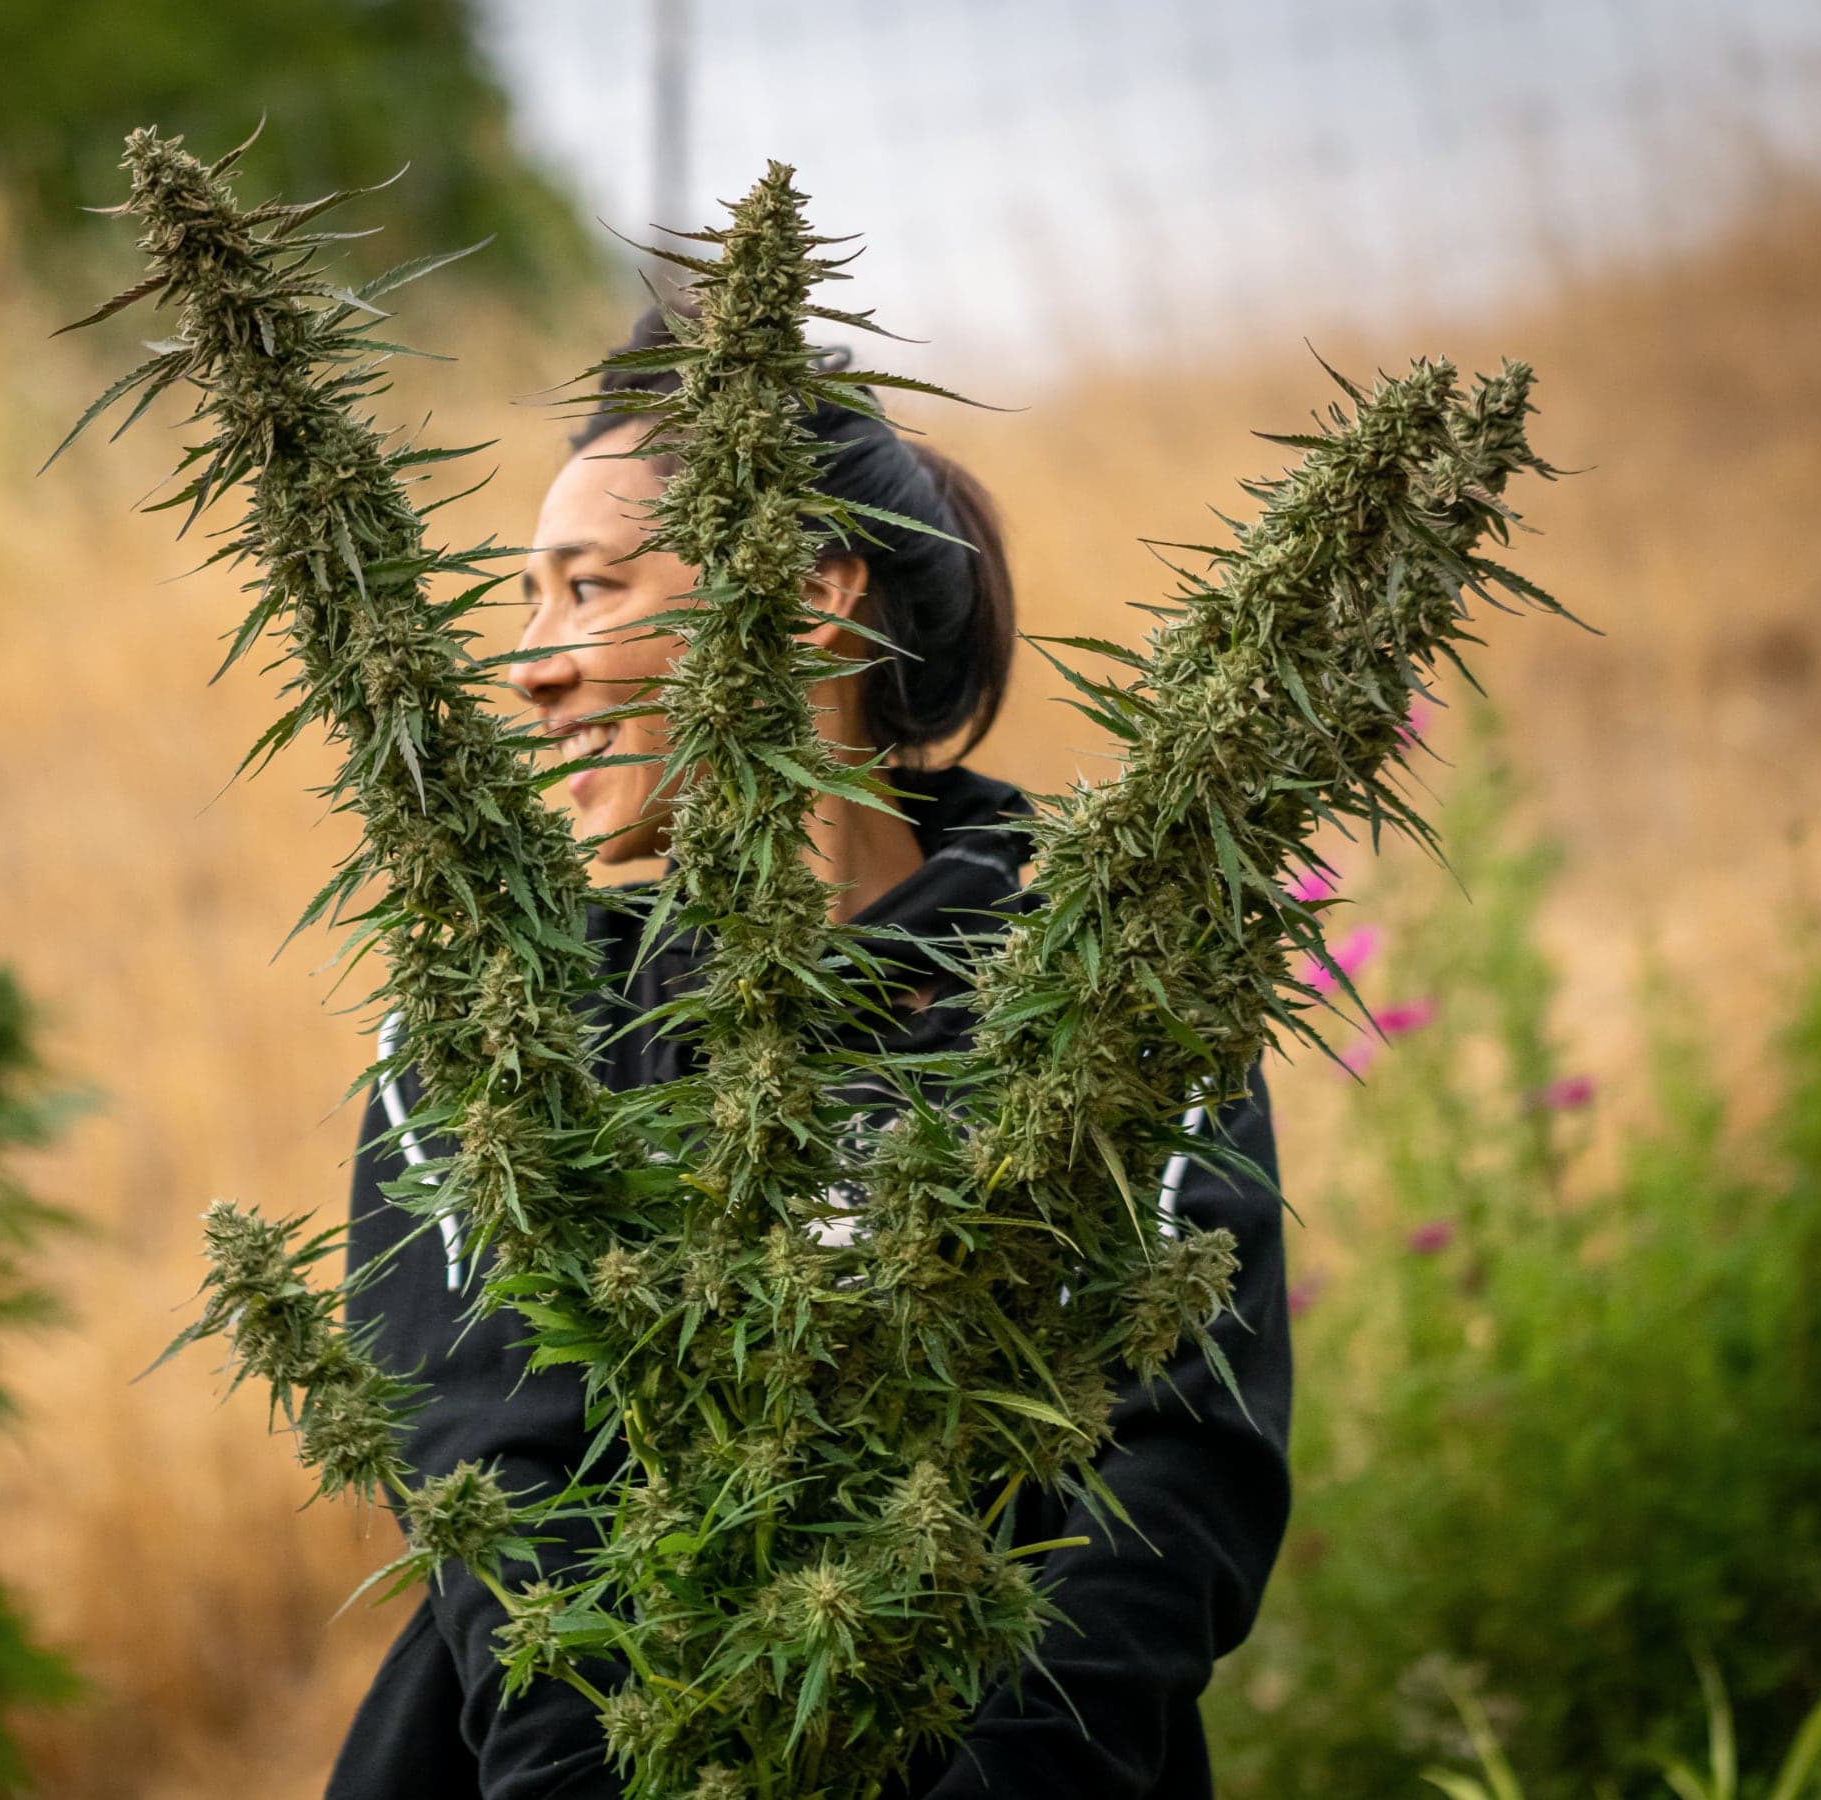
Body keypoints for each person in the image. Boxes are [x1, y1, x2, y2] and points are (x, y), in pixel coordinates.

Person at [327, 313, 1292, 1800]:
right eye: (525, 602)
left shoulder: (1114, 982)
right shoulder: (497, 1021)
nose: (528, 671)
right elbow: (488, 1478)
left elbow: (1174, 1478)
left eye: (588, 590)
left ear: (806, 593)